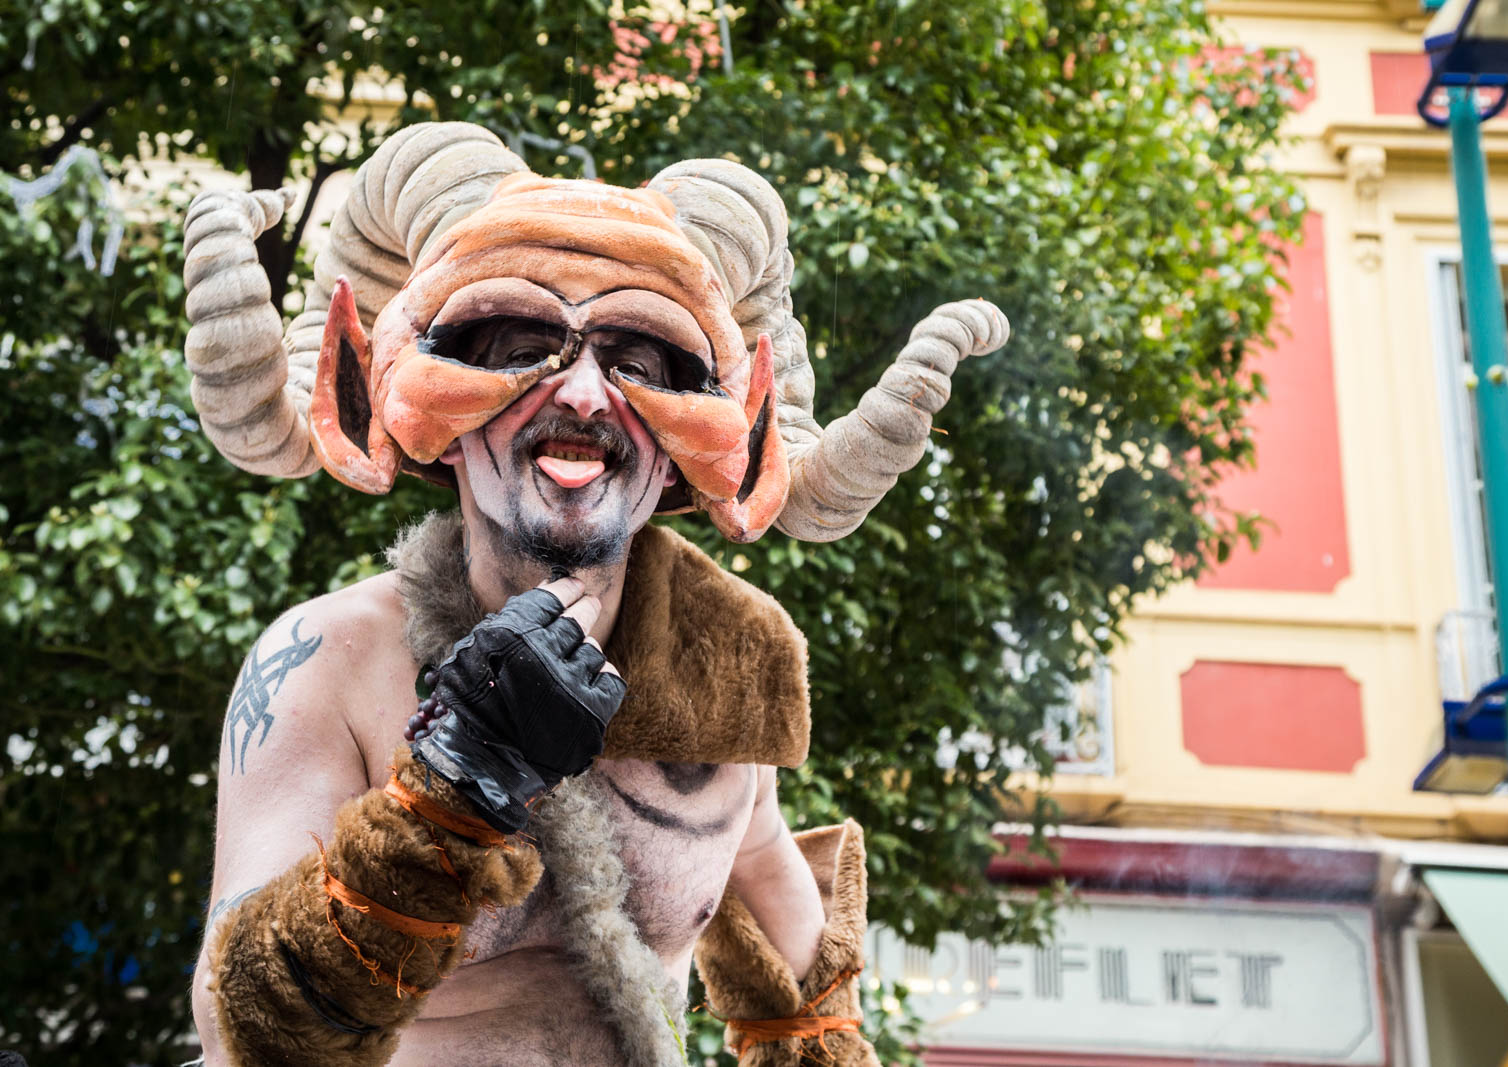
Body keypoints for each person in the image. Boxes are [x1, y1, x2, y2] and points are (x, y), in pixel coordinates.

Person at [181, 122, 1007, 1066]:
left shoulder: (724, 659)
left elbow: (779, 926)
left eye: (643, 362)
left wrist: (817, 1045)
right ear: (438, 424)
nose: (581, 393)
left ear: (683, 453)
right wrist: (454, 782)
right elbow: (235, 1021)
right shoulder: (329, 660)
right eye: (514, 343)